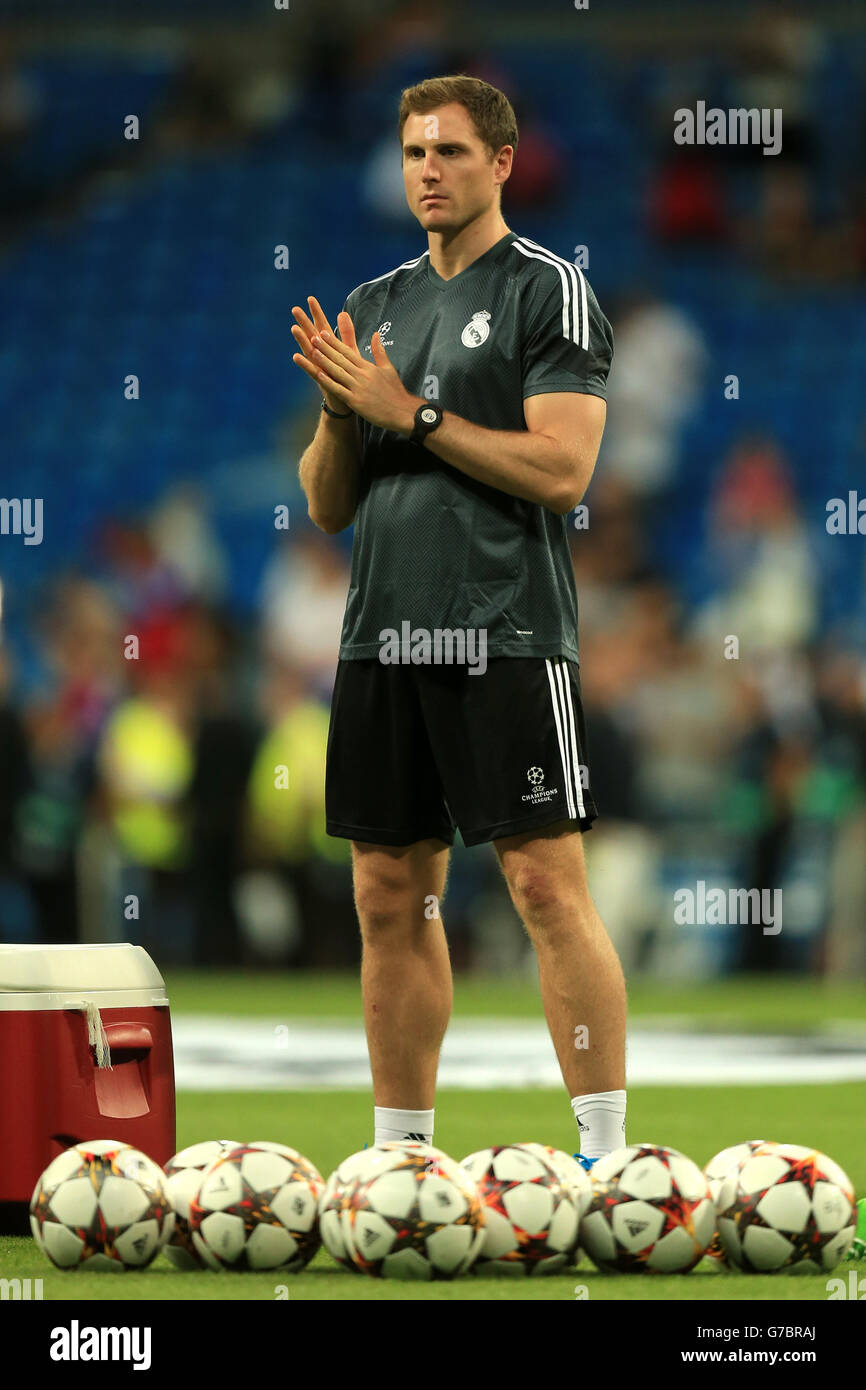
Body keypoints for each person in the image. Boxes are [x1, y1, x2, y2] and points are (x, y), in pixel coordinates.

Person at [292, 74, 625, 1165]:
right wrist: (346, 414)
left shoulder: (547, 291)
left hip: (505, 630)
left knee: (541, 883)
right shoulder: (372, 303)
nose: (426, 170)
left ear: (500, 164)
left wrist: (415, 413)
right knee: (388, 895)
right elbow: (328, 502)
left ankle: (603, 1158)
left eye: (447, 152)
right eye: (411, 154)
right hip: (379, 633)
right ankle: (402, 1158)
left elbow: (563, 468)